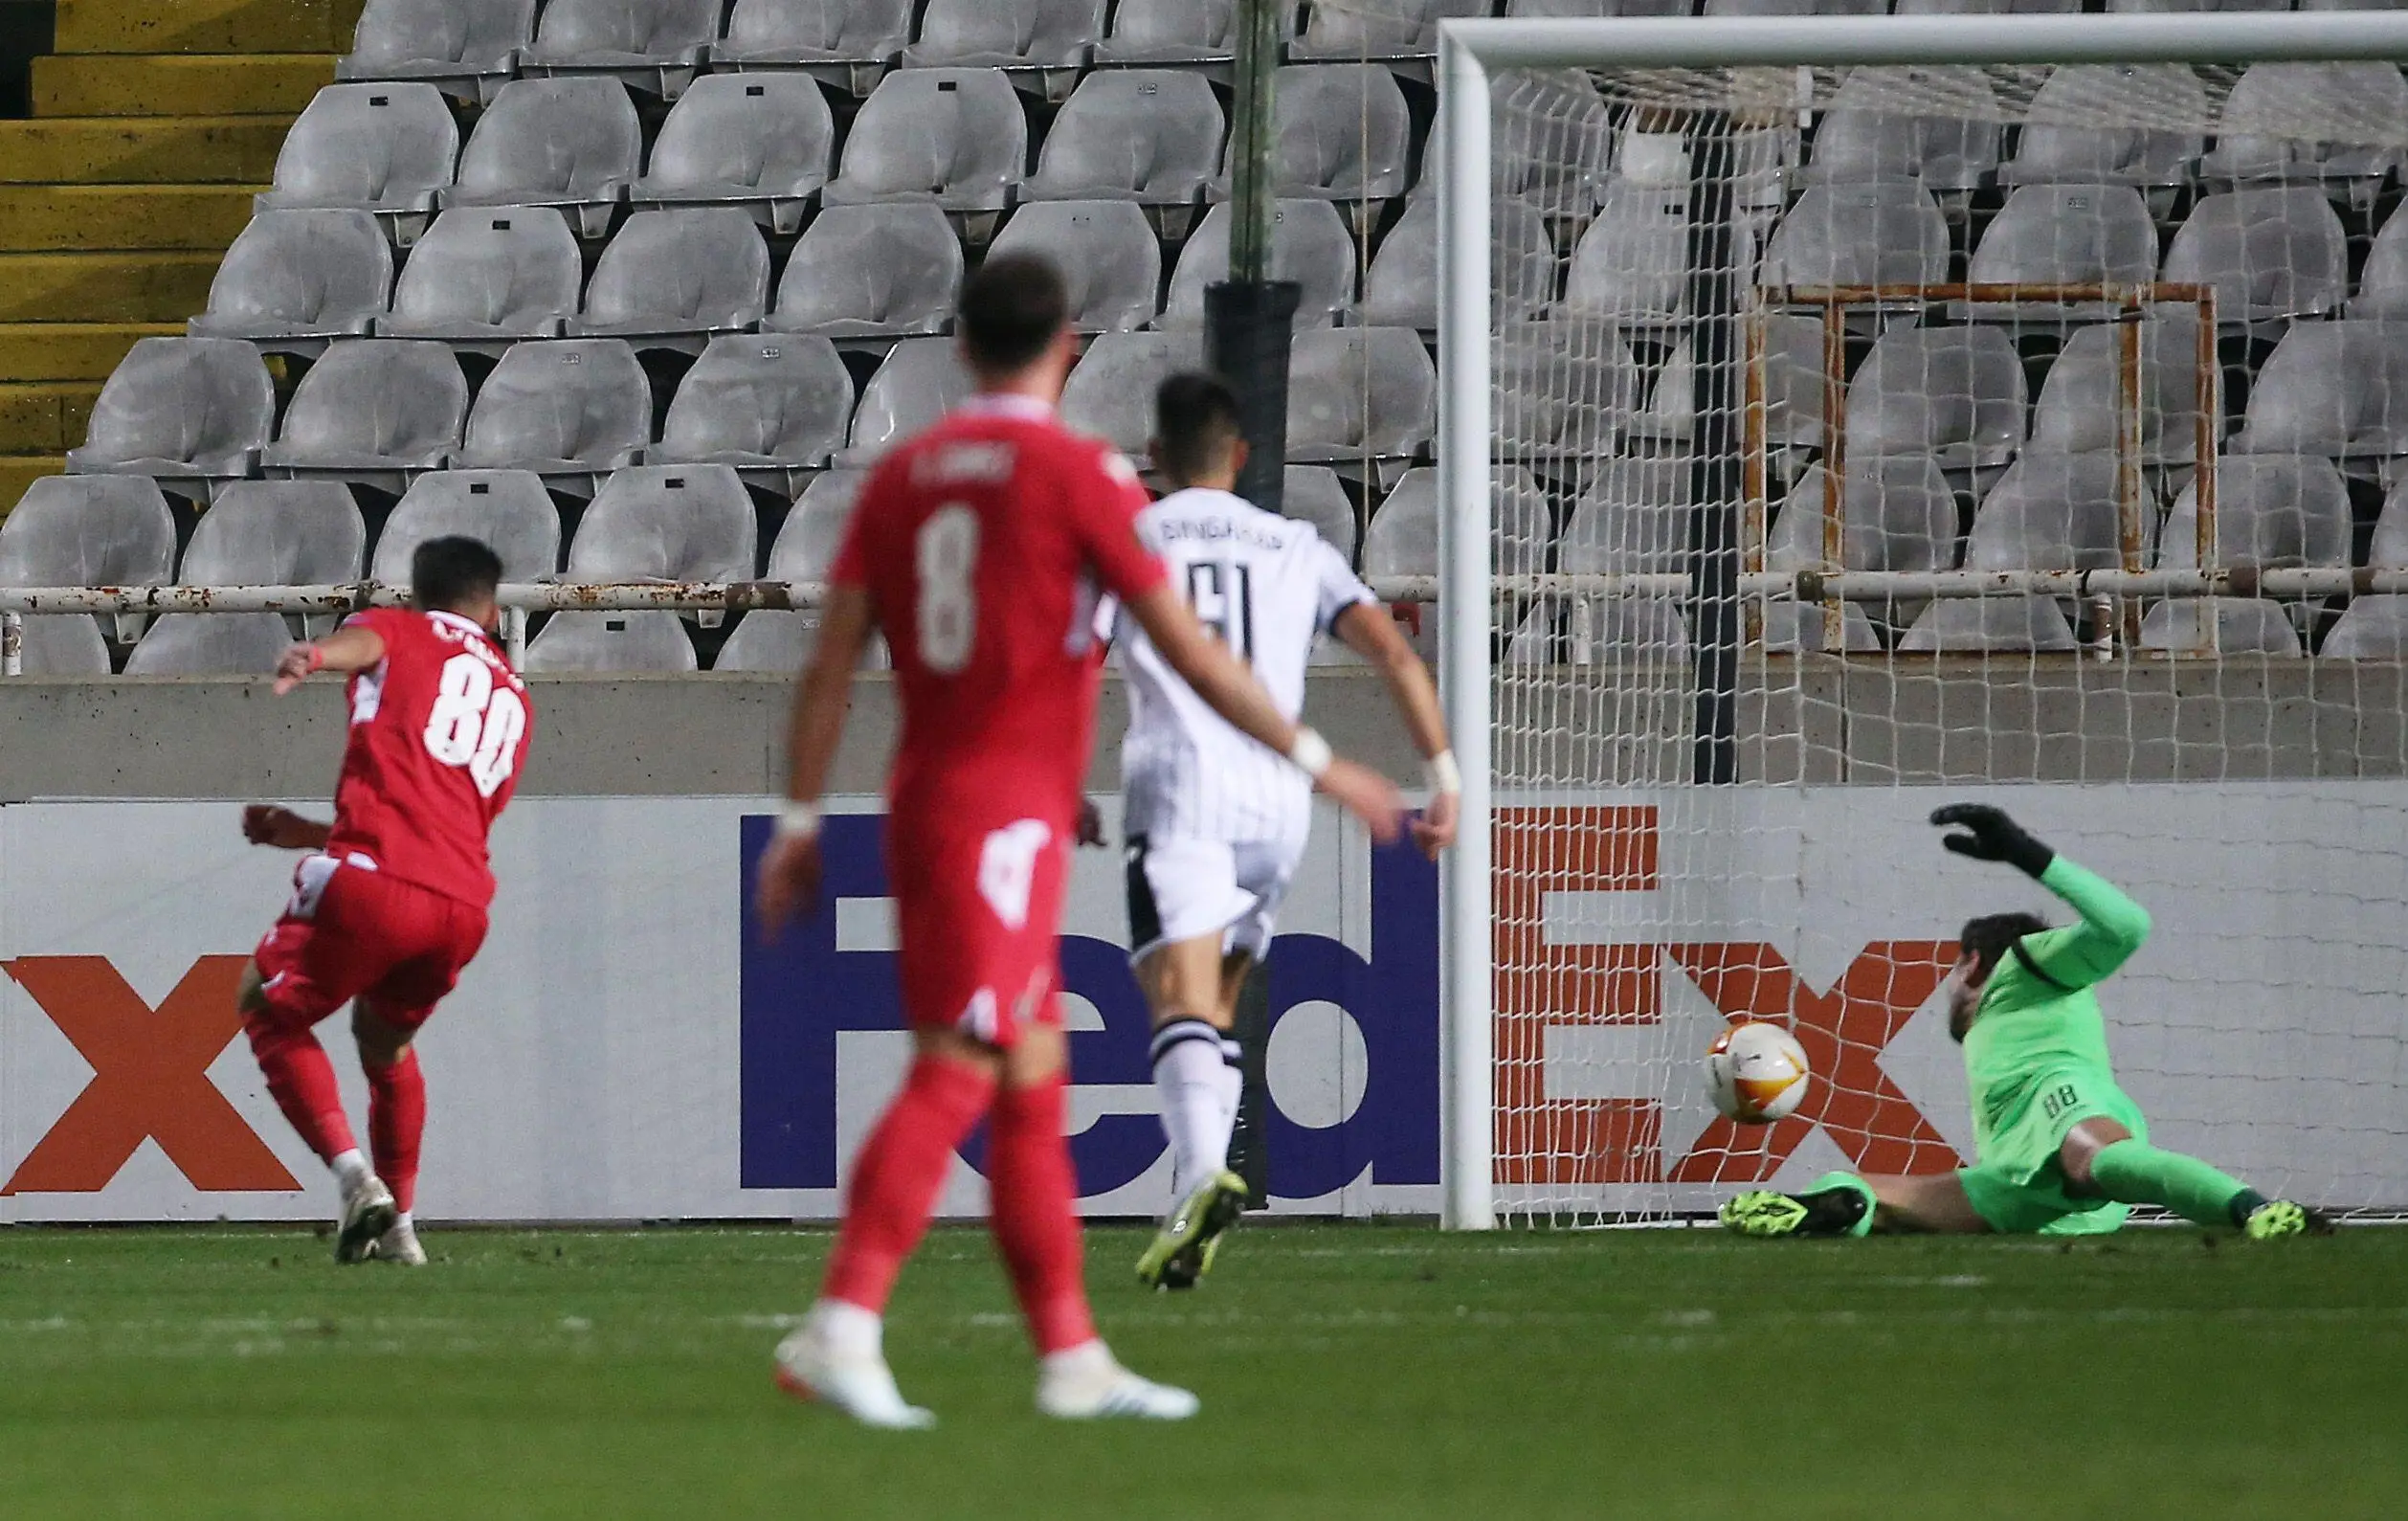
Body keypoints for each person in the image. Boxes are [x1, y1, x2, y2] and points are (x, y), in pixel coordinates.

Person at [753, 255, 1406, 1429]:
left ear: (962, 347)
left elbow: (831, 659)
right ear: (1066, 348)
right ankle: (841, 1324)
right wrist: (1323, 761)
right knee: (961, 1062)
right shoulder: (1079, 473)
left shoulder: (903, 473)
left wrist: (800, 820)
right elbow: (1192, 652)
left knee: (1029, 1077)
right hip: (997, 821)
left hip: (945, 796)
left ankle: (1072, 1358)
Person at [1107, 372, 1458, 1291]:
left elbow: (1075, 653)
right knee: (1218, 1003)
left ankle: (1197, 1176)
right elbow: (1393, 650)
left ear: (1155, 456)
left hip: (1181, 786)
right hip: (1277, 802)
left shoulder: (1134, 536)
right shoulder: (1297, 545)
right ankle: (1194, 1195)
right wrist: (1444, 778)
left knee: (1177, 998)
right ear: (1242, 456)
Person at [1719, 804, 2331, 1241]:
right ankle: (1824, 1207)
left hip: (2063, 1103)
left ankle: (2254, 1210)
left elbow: (2127, 927)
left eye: (1952, 971)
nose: (1948, 987)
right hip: (2016, 1181)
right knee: (1870, 1192)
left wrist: (2027, 854)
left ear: (1972, 963)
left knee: (2094, 1156)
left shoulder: (2025, 966)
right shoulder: (1992, 1026)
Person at [235, 536, 530, 1267]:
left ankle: (353, 1178)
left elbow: (364, 644)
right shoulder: (515, 698)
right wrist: (311, 831)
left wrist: (315, 654)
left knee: (264, 1004)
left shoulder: (401, 630)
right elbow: (444, 817)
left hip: (375, 882)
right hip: (460, 906)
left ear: (416, 595)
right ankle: (401, 1227)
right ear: (493, 611)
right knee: (385, 1043)